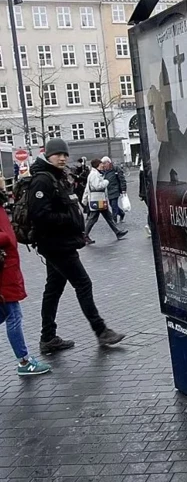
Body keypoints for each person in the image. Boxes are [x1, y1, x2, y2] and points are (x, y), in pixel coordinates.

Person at [27, 139, 126, 353]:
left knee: (53, 289)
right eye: (57, 154)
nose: (62, 158)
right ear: (48, 155)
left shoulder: (57, 176)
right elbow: (39, 214)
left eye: (64, 154)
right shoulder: (43, 180)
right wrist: (68, 220)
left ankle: (48, 338)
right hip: (56, 245)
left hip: (61, 243)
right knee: (83, 283)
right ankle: (101, 331)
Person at [0, 178, 51, 375]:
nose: (3, 179)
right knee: (13, 316)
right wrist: (9, 236)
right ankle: (24, 361)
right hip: (3, 270)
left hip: (7, 268)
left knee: (6, 314)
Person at [82, 159, 128, 245]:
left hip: (100, 200)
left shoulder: (95, 174)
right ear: (97, 165)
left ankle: (117, 232)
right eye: (101, 164)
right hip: (97, 200)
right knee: (93, 219)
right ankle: (84, 235)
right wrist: (106, 182)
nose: (102, 165)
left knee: (108, 217)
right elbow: (97, 186)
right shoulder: (94, 175)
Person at [101, 156, 127, 223]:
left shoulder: (115, 168)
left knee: (114, 205)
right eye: (102, 163)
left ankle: (114, 220)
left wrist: (123, 189)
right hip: (108, 191)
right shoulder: (103, 171)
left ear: (108, 162)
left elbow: (122, 179)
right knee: (111, 205)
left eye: (104, 163)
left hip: (115, 189)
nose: (103, 165)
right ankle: (121, 213)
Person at [139, 163, 151, 237]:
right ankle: (149, 225)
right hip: (149, 192)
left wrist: (140, 193)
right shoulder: (149, 169)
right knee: (152, 209)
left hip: (144, 193)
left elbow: (141, 183)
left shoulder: (141, 171)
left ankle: (150, 225)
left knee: (151, 209)